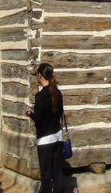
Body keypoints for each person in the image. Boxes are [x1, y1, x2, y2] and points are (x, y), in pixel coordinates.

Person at [26, 63, 65, 193]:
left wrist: (30, 113)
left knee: (46, 174)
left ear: (40, 75)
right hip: (57, 135)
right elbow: (59, 113)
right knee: (57, 171)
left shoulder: (40, 96)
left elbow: (39, 119)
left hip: (45, 139)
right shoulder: (57, 93)